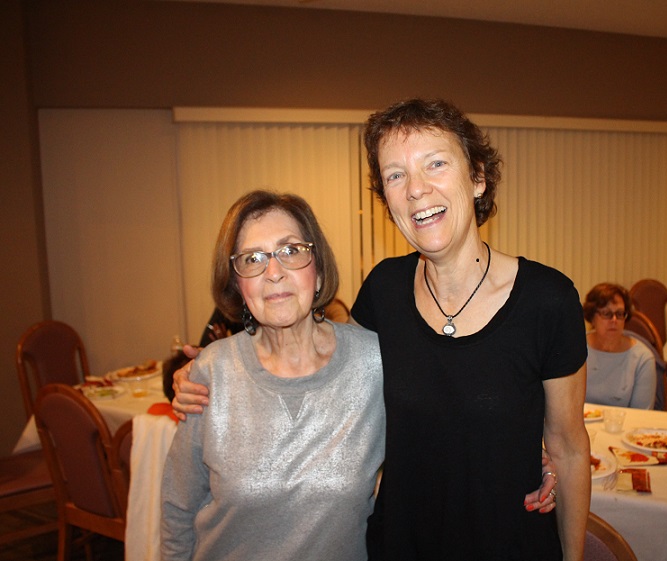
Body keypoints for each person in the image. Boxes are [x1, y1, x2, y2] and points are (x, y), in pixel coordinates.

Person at [174, 98, 587, 560]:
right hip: (402, 545)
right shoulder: (384, 292)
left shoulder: (547, 301)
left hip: (511, 544)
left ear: (477, 177)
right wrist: (209, 375)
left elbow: (569, 451)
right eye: (396, 175)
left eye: (435, 164)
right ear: (386, 201)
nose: (415, 189)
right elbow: (321, 368)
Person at [160, 191, 386, 561]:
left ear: (318, 269)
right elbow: (178, 508)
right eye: (253, 259)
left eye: (291, 250)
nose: (274, 272)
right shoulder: (211, 373)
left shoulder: (373, 363)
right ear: (237, 285)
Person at [582, 283, 656, 409]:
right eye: (607, 313)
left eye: (620, 314)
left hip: (623, 426)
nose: (614, 320)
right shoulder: (576, 349)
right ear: (592, 317)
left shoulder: (642, 358)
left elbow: (642, 415)